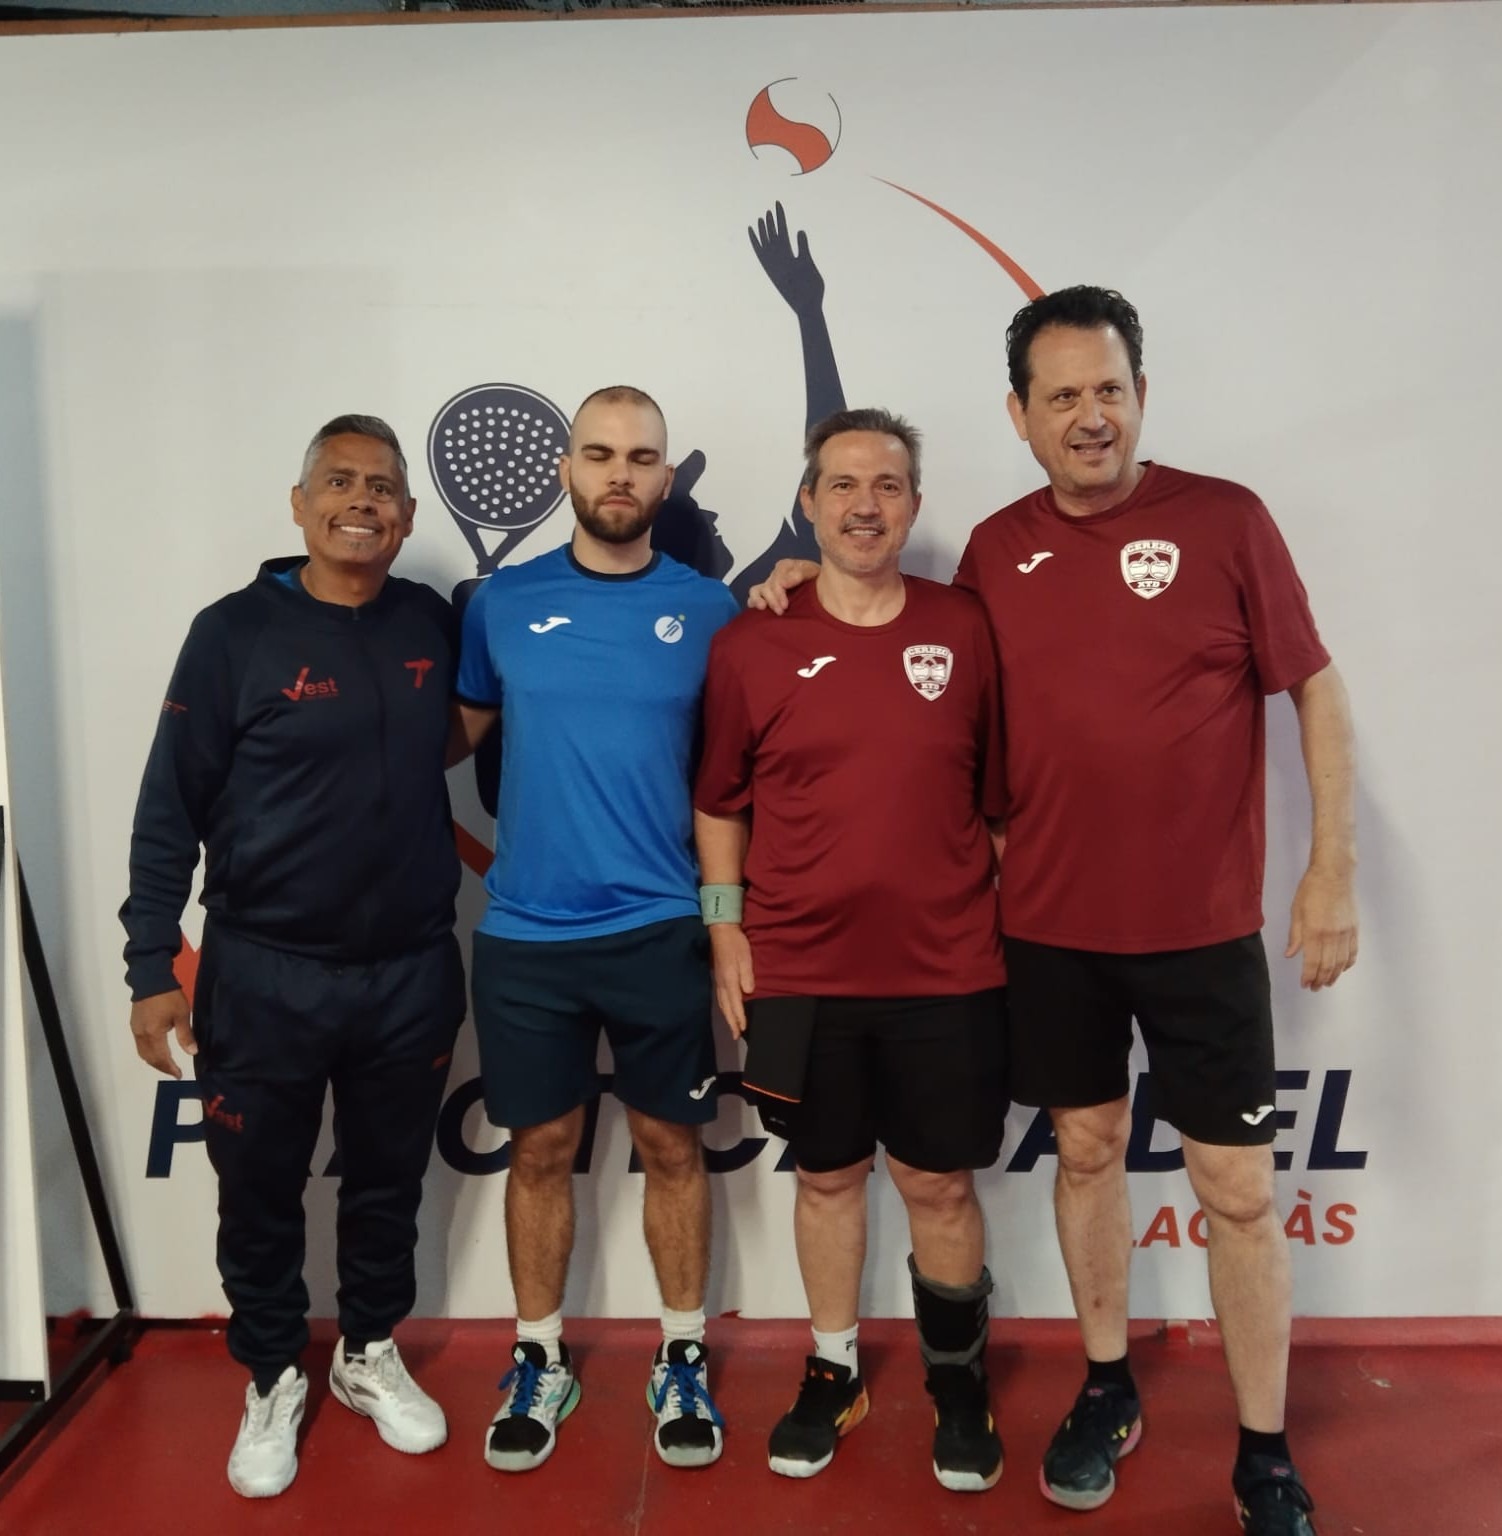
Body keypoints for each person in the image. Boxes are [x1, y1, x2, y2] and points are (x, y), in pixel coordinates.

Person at [751, 288, 1357, 1536]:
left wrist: (1328, 868)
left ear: (1140, 395)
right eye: (1062, 395)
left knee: (1237, 1191)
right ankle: (1105, 1386)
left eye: (1108, 390)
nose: (1090, 416)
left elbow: (1312, 687)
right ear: (1019, 416)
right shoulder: (993, 552)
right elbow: (904, 643)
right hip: (1048, 930)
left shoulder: (1225, 519)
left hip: (1200, 932)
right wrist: (802, 581)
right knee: (1085, 1154)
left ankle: (1262, 1450)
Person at [121, 415, 464, 1498]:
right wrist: (149, 967)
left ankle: (366, 1351)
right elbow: (167, 809)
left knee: (387, 1183)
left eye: (381, 487)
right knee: (259, 1189)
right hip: (264, 972)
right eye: (340, 482)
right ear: (301, 503)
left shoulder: (430, 620)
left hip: (410, 968)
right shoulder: (232, 634)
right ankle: (272, 1371)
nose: (361, 501)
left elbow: (487, 716)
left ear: (406, 515)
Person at [695, 408, 1009, 1493]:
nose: (864, 505)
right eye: (841, 484)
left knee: (938, 1185)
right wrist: (724, 925)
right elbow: (721, 801)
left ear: (914, 504)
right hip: (798, 972)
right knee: (825, 1179)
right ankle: (833, 1371)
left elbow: (1000, 801)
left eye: (886, 485)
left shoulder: (965, 627)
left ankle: (957, 1382)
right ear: (808, 503)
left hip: (946, 971)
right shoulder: (750, 642)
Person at [451, 385, 739, 1474]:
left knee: (672, 1147)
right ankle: (538, 1356)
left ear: (666, 477)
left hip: (660, 927)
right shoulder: (501, 603)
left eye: (642, 457)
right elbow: (438, 738)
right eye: (600, 453)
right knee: (539, 1150)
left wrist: (725, 919)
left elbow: (739, 779)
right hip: (526, 935)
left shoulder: (712, 612)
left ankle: (681, 1354)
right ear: (567, 469)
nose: (621, 474)